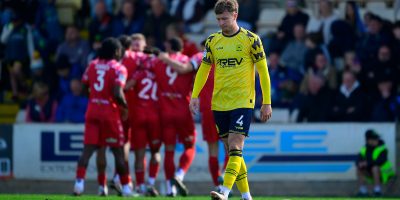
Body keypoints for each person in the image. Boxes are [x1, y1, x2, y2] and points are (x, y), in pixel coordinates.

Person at [189, 1, 272, 200]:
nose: (221, 23)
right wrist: (194, 96)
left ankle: (224, 192)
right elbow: (203, 70)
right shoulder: (212, 41)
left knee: (235, 147)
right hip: (219, 103)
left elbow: (263, 71)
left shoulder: (251, 40)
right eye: (218, 19)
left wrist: (266, 101)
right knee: (233, 152)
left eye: (224, 18)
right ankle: (247, 196)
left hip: (243, 101)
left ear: (235, 15)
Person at [158, 40, 227, 191]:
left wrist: (162, 57)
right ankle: (226, 179)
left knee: (212, 149)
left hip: (206, 108)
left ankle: (217, 184)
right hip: (227, 106)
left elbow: (184, 69)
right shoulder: (228, 55)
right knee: (232, 147)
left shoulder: (200, 56)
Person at [73, 38, 133, 196]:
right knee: (118, 152)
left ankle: (79, 185)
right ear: (116, 52)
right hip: (109, 114)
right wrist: (125, 107)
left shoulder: (92, 65)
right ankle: (126, 188)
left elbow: (85, 85)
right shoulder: (119, 68)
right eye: (119, 51)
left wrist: (95, 98)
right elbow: (117, 92)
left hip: (92, 111)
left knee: (87, 151)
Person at [152, 37, 195, 197]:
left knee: (169, 150)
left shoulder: (158, 63)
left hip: (165, 111)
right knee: (189, 147)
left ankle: (171, 189)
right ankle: (180, 174)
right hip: (183, 110)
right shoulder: (188, 61)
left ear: (168, 47)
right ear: (181, 48)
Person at [356, 129, 395, 197]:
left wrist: (367, 163)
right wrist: (360, 164)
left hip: (384, 174)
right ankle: (363, 191)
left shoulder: (382, 148)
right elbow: (357, 160)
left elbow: (381, 161)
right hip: (371, 173)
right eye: (374, 138)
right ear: (368, 140)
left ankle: (377, 191)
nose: (376, 140)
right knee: (359, 168)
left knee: (375, 168)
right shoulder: (364, 149)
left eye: (377, 138)